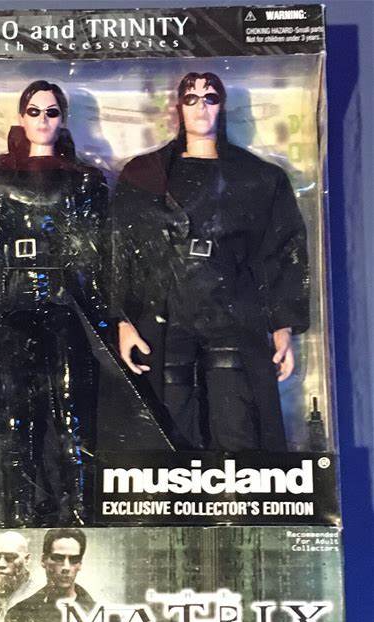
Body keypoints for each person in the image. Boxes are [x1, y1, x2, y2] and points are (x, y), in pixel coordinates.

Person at [0, 80, 108, 529]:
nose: (43, 120)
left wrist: (107, 320)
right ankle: (18, 514)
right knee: (15, 417)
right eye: (34, 111)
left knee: (73, 413)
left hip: (66, 305)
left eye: (51, 112)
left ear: (63, 118)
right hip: (13, 305)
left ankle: (79, 513)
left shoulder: (84, 179)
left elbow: (96, 253)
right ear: (21, 116)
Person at [112, 71, 309, 452]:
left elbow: (281, 250)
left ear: (222, 106)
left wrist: (282, 324)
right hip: (166, 309)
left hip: (230, 307)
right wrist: (123, 318)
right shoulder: (144, 175)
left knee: (236, 420)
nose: (201, 107)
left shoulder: (259, 178)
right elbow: (123, 246)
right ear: (178, 107)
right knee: (170, 419)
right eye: (191, 98)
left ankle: (240, 490)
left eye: (210, 98)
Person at [0, 528, 130, 622]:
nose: (66, 567)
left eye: (74, 560)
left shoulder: (105, 619)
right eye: (59, 558)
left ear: (80, 565)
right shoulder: (19, 615)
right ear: (43, 560)